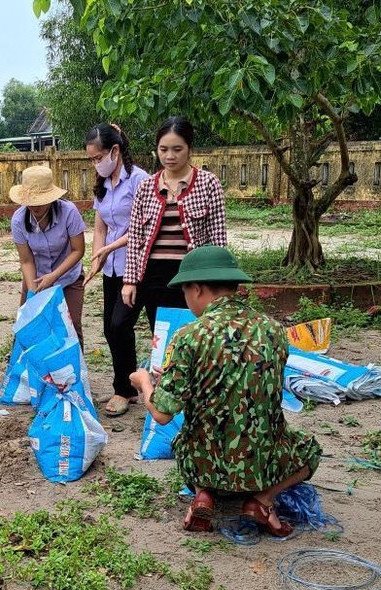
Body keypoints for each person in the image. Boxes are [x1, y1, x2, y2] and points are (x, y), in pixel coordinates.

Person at [130, 246, 321, 535]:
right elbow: (249, 384)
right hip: (263, 460)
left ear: (196, 289)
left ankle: (203, 494)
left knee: (185, 439)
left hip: (203, 460)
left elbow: (162, 414)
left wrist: (145, 381)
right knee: (309, 451)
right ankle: (262, 500)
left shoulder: (189, 336)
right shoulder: (273, 329)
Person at [115, 117, 227, 409]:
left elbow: (218, 237)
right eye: (163, 149)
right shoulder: (146, 187)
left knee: (192, 336)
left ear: (189, 149)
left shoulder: (208, 184)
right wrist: (130, 280)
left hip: (192, 277)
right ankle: (164, 401)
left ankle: (196, 397)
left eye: (177, 149)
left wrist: (218, 283)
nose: (169, 156)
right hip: (153, 275)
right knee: (161, 338)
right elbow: (136, 237)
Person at [83, 123, 150, 417]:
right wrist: (97, 259)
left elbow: (143, 228)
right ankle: (131, 383)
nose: (95, 164)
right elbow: (101, 226)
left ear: (115, 150)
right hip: (112, 269)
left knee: (120, 325)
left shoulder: (140, 181)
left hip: (136, 266)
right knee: (110, 329)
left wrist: (109, 248)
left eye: (98, 158)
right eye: (91, 160)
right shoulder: (103, 185)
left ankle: (123, 389)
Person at [10, 165, 87, 344]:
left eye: (40, 200)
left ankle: (74, 371)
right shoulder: (18, 220)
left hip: (68, 277)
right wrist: (32, 291)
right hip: (36, 278)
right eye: (31, 200)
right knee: (29, 325)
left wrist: (53, 277)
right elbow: (26, 260)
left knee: (70, 325)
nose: (35, 206)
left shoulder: (69, 212)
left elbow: (78, 250)